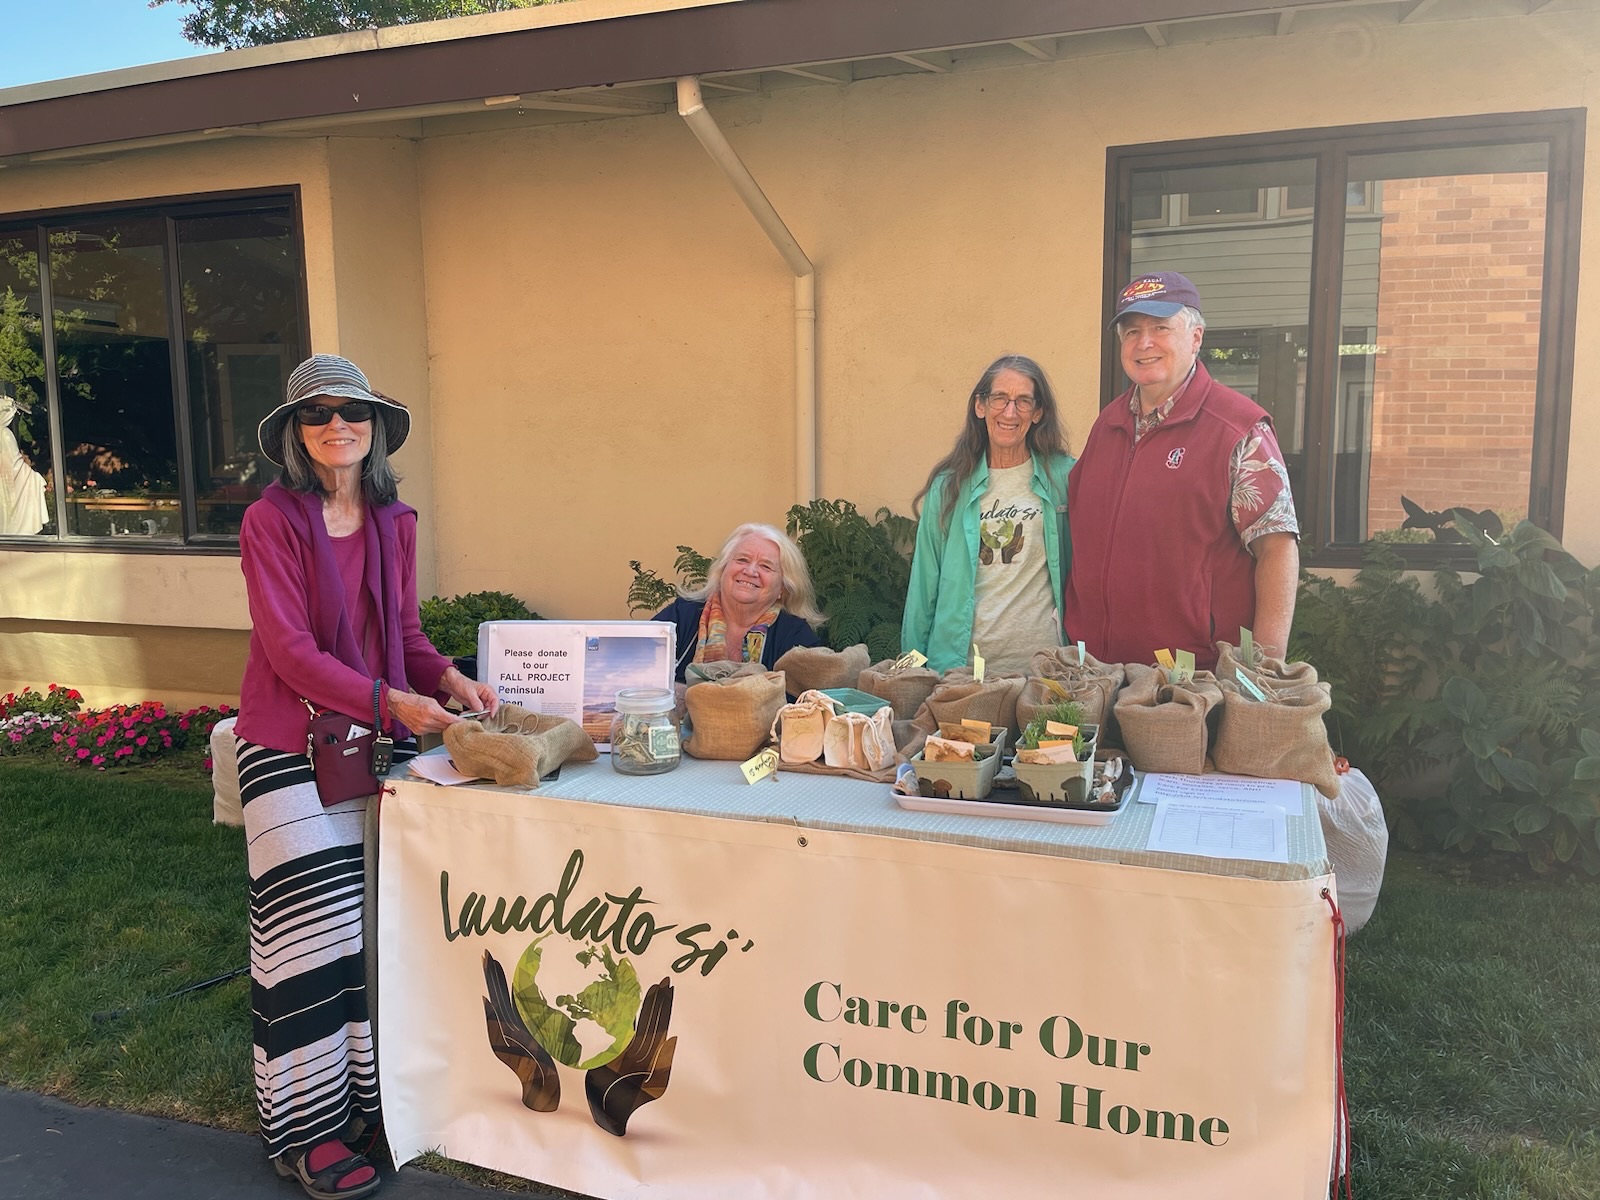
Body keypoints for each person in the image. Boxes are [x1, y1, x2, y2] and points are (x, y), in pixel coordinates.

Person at [234, 354, 496, 1200]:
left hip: (362, 744)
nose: (336, 424)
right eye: (316, 414)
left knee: (366, 933)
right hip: (287, 743)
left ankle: (357, 1106)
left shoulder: (393, 520)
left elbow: (405, 635)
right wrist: (395, 704)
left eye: (351, 411)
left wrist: (449, 679)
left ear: (374, 427)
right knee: (308, 937)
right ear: (294, 433)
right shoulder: (270, 522)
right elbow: (288, 652)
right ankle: (302, 1132)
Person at [1063, 272, 1300, 670]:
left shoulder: (1238, 429)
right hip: (1099, 674)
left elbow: (1277, 549)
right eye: (1132, 331)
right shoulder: (1108, 425)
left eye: (1160, 327)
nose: (1144, 343)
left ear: (1196, 338)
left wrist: (1265, 670)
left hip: (1195, 680)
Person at [901, 354, 1075, 674]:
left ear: (1038, 412)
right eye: (1000, 398)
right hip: (961, 670)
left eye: (1023, 401)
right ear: (980, 406)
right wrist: (910, 671)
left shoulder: (1064, 478)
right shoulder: (949, 487)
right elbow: (923, 588)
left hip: (1044, 669)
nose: (1010, 412)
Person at [654, 523, 824, 681]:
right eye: (742, 560)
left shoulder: (794, 636)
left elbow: (807, 699)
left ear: (783, 588)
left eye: (766, 566)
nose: (750, 571)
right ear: (722, 569)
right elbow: (640, 673)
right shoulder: (680, 616)